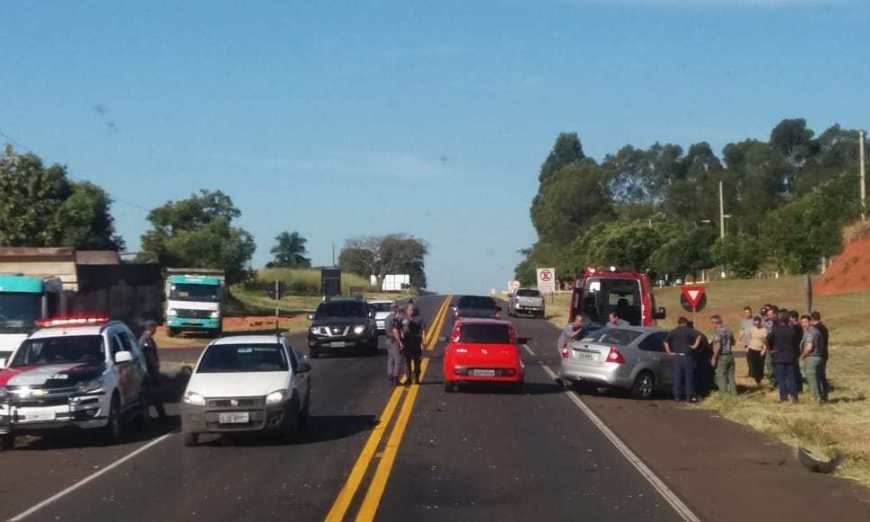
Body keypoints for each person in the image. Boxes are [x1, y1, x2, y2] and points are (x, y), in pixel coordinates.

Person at [665, 317, 702, 402]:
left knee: (677, 377)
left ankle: (677, 396)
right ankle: (689, 397)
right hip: (687, 357)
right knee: (689, 377)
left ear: (678, 323)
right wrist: (694, 346)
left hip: (677, 357)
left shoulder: (673, 331)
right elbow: (699, 336)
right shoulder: (689, 330)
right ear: (685, 323)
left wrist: (669, 352)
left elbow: (666, 341)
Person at [767, 311, 799, 403]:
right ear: (788, 319)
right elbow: (795, 343)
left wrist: (770, 350)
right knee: (791, 378)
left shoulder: (776, 329)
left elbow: (767, 339)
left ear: (780, 319)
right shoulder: (792, 330)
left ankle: (783, 397)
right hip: (790, 356)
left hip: (778, 356)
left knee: (781, 379)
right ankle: (794, 397)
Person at [138, 321, 167, 419]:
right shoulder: (146, 340)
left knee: (154, 394)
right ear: (151, 328)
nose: (156, 331)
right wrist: (154, 366)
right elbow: (149, 356)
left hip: (150, 371)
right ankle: (158, 416)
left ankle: (160, 414)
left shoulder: (148, 339)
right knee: (153, 394)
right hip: (149, 371)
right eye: (155, 328)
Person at [799, 314, 827, 403]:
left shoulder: (811, 333)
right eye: (802, 322)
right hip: (819, 357)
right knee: (819, 378)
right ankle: (823, 396)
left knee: (812, 379)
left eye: (805, 322)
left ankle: (816, 398)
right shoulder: (815, 331)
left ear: (810, 322)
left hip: (812, 358)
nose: (803, 324)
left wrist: (802, 356)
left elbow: (809, 347)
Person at [710, 315, 737, 394]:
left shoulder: (717, 332)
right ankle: (734, 394)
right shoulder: (729, 330)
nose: (712, 325)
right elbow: (733, 342)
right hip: (730, 356)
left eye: (712, 323)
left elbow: (718, 346)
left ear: (715, 323)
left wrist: (714, 358)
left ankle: (724, 396)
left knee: (721, 376)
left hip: (722, 357)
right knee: (731, 377)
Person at [400, 304, 425, 386]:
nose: (411, 311)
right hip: (406, 343)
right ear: (407, 310)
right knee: (407, 362)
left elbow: (422, 331)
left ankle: (417, 378)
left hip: (416, 343)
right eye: (410, 310)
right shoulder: (402, 319)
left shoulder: (419, 319)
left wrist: (423, 342)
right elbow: (398, 328)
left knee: (417, 362)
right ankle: (408, 378)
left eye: (413, 310)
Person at [810, 311, 830, 398]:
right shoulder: (824, 327)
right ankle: (824, 393)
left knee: (818, 375)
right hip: (824, 353)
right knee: (822, 374)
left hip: (818, 353)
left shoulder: (815, 329)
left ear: (812, 319)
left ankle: (822, 394)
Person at [385, 304, 404, 386]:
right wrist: (400, 342)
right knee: (398, 360)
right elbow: (395, 331)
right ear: (396, 309)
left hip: (387, 340)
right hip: (394, 340)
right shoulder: (394, 319)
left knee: (390, 360)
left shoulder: (387, 318)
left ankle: (390, 378)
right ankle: (396, 378)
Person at [746, 316, 768, 386]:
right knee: (752, 364)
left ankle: (759, 379)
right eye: (755, 323)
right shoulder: (752, 329)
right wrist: (747, 347)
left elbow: (765, 341)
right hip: (752, 349)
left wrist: (764, 350)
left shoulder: (764, 330)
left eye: (758, 323)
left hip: (760, 350)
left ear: (760, 322)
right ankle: (754, 377)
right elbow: (749, 338)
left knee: (760, 366)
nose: (756, 325)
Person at [739, 306, 754, 377]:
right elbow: (742, 330)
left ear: (751, 312)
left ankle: (755, 372)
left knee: (754, 358)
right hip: (747, 343)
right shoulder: (743, 321)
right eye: (745, 313)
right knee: (748, 358)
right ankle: (751, 372)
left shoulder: (754, 320)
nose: (746, 314)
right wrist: (740, 338)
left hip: (754, 342)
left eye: (748, 312)